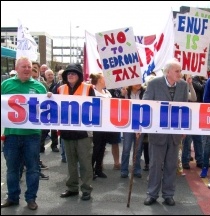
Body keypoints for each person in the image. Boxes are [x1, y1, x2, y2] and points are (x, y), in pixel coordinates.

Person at [1, 56, 47, 210]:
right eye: (24, 67)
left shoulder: (40, 87)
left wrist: (50, 99)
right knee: (12, 169)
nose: (27, 69)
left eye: (29, 67)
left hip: (32, 135)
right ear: (17, 68)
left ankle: (31, 199)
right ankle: (13, 197)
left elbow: (47, 108)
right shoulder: (6, 85)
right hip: (12, 134)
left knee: (33, 168)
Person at [142, 58, 188, 206]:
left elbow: (184, 108)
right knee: (156, 165)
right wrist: (141, 126)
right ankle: (152, 194)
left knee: (171, 165)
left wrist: (184, 127)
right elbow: (146, 104)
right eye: (177, 71)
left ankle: (168, 194)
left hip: (174, 133)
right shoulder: (154, 84)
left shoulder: (183, 85)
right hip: (158, 132)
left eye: (180, 71)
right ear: (168, 72)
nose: (180, 74)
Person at [54, 63, 95, 200]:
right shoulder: (59, 89)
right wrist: (49, 96)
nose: (71, 75)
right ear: (65, 76)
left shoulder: (88, 88)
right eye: (69, 73)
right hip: (67, 132)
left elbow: (95, 108)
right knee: (71, 163)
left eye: (74, 73)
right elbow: (53, 105)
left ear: (79, 76)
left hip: (83, 132)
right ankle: (72, 188)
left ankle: (86, 189)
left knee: (85, 162)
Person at [89, 72, 121, 179]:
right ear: (100, 80)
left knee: (102, 147)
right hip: (96, 123)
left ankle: (98, 169)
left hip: (106, 123)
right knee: (96, 147)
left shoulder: (107, 92)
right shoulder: (92, 91)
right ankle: (90, 169)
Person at [121, 84, 146, 179]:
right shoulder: (125, 92)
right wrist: (123, 96)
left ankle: (136, 169)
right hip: (128, 124)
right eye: (136, 81)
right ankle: (124, 170)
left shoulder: (144, 92)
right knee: (126, 148)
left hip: (140, 124)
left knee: (138, 148)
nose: (139, 84)